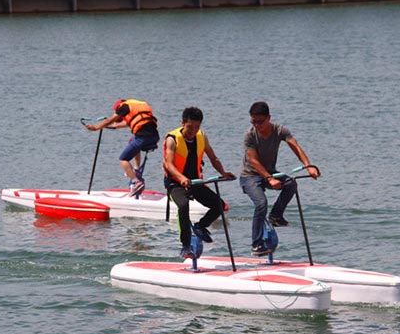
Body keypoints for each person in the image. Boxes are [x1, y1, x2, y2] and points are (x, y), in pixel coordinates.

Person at [240, 101, 320, 256]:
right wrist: (269, 178)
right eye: (253, 121)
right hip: (250, 176)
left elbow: (295, 146)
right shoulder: (250, 135)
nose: (257, 125)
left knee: (290, 184)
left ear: (269, 118)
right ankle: (256, 244)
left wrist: (308, 166)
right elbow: (253, 160)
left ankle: (276, 216)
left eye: (260, 122)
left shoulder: (279, 130)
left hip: (270, 173)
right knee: (261, 203)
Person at [163, 107, 236, 259]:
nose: (193, 131)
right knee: (184, 206)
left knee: (220, 205)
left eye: (197, 127)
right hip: (175, 183)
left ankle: (200, 226)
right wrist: (181, 178)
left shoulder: (202, 137)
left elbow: (213, 158)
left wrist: (223, 173)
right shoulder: (172, 139)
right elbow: (170, 165)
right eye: (190, 127)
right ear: (183, 123)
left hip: (195, 182)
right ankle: (185, 246)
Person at [84, 99, 160, 197]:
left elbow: (109, 121)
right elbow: (132, 122)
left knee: (123, 159)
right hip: (154, 137)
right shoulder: (138, 106)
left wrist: (96, 128)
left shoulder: (123, 106)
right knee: (132, 141)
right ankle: (137, 170)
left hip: (143, 137)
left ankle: (136, 182)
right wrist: (116, 126)